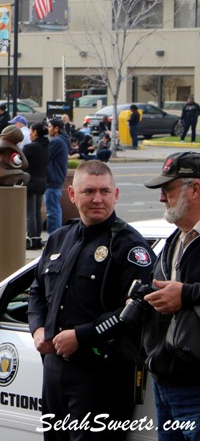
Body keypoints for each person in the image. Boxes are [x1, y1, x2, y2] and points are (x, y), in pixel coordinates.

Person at [28, 160, 155, 441]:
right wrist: (37, 328)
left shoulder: (130, 247)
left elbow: (134, 311)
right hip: (55, 369)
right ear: (73, 196)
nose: (98, 199)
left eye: (104, 191)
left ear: (116, 195)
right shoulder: (60, 238)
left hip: (102, 375)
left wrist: (82, 336)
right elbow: (37, 291)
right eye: (88, 192)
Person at [142, 152, 200, 440]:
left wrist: (187, 294)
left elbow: (184, 297)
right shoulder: (175, 238)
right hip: (165, 380)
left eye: (168, 189)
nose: (162, 198)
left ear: (196, 189)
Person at [23, 122, 49, 250]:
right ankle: (37, 239)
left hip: (30, 181)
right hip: (42, 181)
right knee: (37, 212)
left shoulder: (29, 148)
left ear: (35, 133)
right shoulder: (46, 147)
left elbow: (19, 161)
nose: (29, 133)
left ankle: (30, 239)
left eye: (31, 131)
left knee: (30, 212)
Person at [45, 117, 70, 235]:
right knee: (54, 210)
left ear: (56, 128)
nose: (48, 129)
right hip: (56, 180)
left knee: (53, 212)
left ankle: (54, 237)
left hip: (53, 180)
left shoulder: (57, 141)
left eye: (50, 126)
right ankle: (56, 236)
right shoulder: (62, 140)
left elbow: (45, 157)